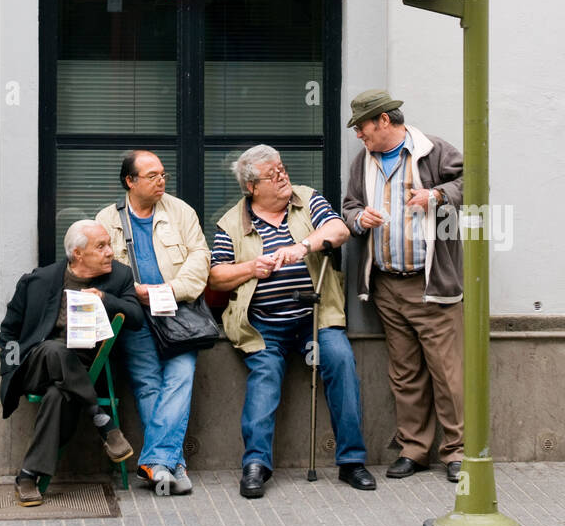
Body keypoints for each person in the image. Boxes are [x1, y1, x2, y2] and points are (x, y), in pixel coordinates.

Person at [210, 145, 375, 498]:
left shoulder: (307, 199)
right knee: (265, 379)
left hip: (315, 317)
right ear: (252, 187)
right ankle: (256, 465)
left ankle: (352, 462)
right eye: (273, 175)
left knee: (341, 361)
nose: (283, 176)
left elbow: (338, 229)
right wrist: (251, 268)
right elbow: (217, 276)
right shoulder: (231, 223)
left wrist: (303, 247)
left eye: (282, 168)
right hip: (263, 324)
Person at [341, 90, 464, 483]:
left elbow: (474, 183)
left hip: (430, 285)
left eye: (362, 127)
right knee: (405, 373)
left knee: (447, 373)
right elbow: (349, 208)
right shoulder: (364, 161)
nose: (359, 135)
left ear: (383, 121)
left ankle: (457, 453)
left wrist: (438, 195)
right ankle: (414, 449)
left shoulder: (434, 151)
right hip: (387, 285)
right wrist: (361, 219)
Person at [0, 219, 143, 506]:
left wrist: (105, 298)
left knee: (57, 395)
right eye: (100, 246)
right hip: (37, 363)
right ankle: (101, 420)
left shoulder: (119, 277)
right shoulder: (38, 280)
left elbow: (136, 318)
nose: (110, 252)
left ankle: (27, 476)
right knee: (53, 348)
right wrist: (10, 366)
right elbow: (8, 332)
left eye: (108, 245)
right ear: (78, 254)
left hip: (86, 370)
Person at [97, 151, 210, 496]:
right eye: (152, 175)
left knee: (180, 376)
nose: (161, 180)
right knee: (148, 384)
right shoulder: (108, 218)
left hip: (177, 312)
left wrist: (169, 290)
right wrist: (135, 292)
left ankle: (156, 461)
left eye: (163, 174)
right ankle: (172, 465)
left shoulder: (181, 212)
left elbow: (200, 257)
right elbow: (101, 268)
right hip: (133, 315)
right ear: (130, 181)